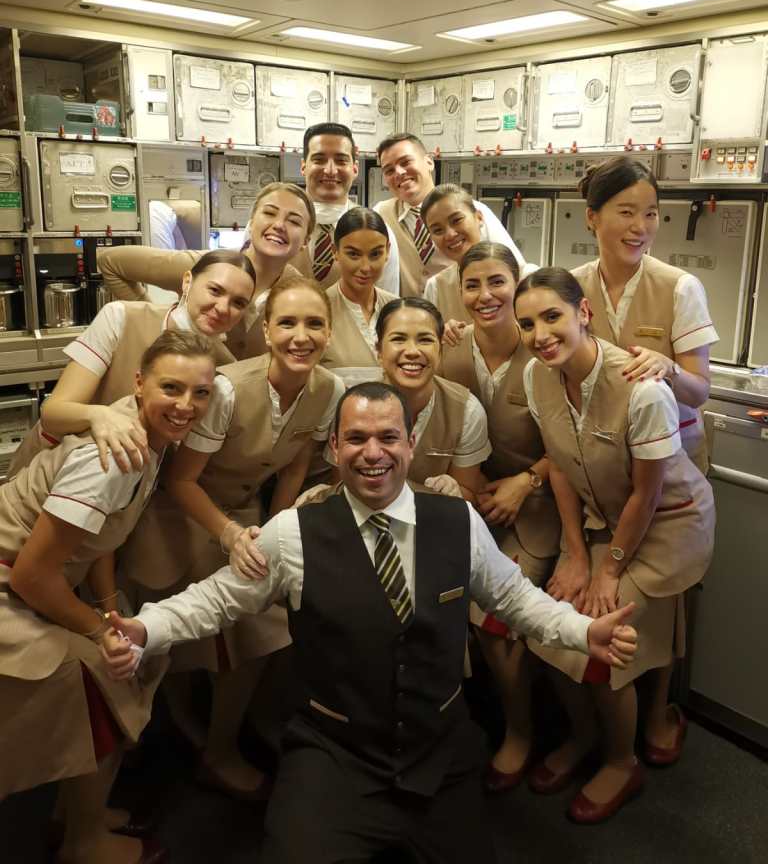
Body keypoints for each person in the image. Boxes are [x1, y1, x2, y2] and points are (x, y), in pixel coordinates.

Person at [102, 381, 637, 864]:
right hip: (334, 755)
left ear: (410, 445)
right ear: (334, 448)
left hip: (438, 750)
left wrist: (583, 632)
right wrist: (146, 630)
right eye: (357, 438)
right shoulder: (293, 532)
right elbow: (216, 599)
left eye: (388, 437)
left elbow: (514, 597)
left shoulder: (458, 521)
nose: (373, 452)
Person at [121, 275, 344, 799]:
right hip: (184, 514)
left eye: (314, 324)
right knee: (192, 637)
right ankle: (195, 739)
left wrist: (278, 529)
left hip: (244, 514)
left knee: (260, 629)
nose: (301, 336)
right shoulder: (225, 390)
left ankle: (220, 739)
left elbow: (295, 464)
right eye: (286, 323)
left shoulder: (328, 389)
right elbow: (180, 481)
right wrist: (230, 534)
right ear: (266, 331)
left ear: (330, 332)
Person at [0, 329, 216, 864]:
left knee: (131, 661)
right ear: (139, 383)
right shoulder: (114, 458)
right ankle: (84, 839)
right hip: (11, 586)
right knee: (104, 677)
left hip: (27, 580)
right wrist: (99, 631)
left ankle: (77, 813)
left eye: (201, 393)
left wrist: (108, 607)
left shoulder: (148, 439)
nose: (186, 405)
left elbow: (98, 538)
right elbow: (32, 577)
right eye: (171, 388)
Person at [514, 268, 715, 823]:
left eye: (552, 316)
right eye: (527, 324)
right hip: (606, 523)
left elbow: (648, 494)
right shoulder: (537, 377)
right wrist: (577, 554)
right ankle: (585, 736)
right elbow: (559, 465)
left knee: (599, 640)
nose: (540, 335)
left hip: (668, 525)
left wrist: (607, 571)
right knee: (548, 626)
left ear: (584, 314)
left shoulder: (642, 389)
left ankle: (621, 762)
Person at [572, 156, 718, 763]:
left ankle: (657, 715)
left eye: (651, 214)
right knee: (613, 602)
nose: (641, 227)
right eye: (626, 212)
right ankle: (606, 730)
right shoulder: (573, 286)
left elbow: (700, 389)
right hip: (604, 470)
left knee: (661, 604)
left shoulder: (678, 287)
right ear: (593, 218)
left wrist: (669, 370)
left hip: (671, 467)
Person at [440, 243, 561, 791]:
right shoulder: (451, 349)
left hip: (538, 506)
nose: (484, 295)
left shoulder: (543, 354)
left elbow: (573, 442)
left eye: (497, 282)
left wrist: (527, 480)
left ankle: (520, 732)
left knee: (496, 621)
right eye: (472, 284)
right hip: (471, 503)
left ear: (517, 284)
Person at [6, 250, 256, 479]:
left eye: (238, 303)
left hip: (130, 485)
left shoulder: (224, 370)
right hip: (55, 473)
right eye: (215, 290)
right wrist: (99, 415)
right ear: (187, 282)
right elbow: (53, 414)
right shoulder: (122, 318)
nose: (223, 308)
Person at [97, 182, 315, 360]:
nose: (279, 225)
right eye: (269, 213)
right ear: (251, 223)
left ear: (305, 241)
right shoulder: (207, 266)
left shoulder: (300, 294)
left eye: (294, 221)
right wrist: (161, 324)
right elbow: (110, 262)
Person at [374, 133, 526, 296]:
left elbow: (517, 270)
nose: (398, 172)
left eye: (405, 162)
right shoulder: (381, 215)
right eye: (389, 170)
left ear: (429, 162)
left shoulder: (471, 210)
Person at [375, 297, 491, 502]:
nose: (412, 351)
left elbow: (469, 492)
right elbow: (342, 486)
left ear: (440, 350)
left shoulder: (466, 410)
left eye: (425, 340)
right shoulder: (354, 406)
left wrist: (455, 491)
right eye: (398, 339)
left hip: (435, 515)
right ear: (379, 351)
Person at [290, 122, 400, 293]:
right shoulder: (271, 227)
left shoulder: (379, 231)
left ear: (355, 169)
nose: (330, 170)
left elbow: (387, 301)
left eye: (341, 161)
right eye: (319, 160)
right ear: (303, 167)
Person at [320, 207, 398, 387]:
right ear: (335, 251)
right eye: (353, 254)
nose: (365, 267)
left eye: (375, 254)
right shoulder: (318, 310)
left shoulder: (398, 309)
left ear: (387, 251)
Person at [421, 184, 485, 326]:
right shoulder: (436, 287)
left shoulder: (522, 275)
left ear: (479, 218)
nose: (450, 234)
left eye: (456, 220)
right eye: (438, 230)